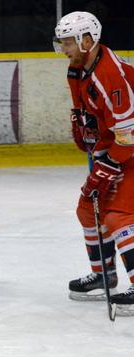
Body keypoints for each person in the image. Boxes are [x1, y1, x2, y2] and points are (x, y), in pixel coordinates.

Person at [56, 13, 134, 310]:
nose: (63, 49)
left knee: (119, 216)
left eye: (68, 43)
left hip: (129, 150)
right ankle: (104, 275)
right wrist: (82, 124)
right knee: (88, 210)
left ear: (87, 41)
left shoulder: (110, 75)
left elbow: (128, 134)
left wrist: (108, 167)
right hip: (117, 148)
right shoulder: (78, 69)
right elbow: (88, 112)